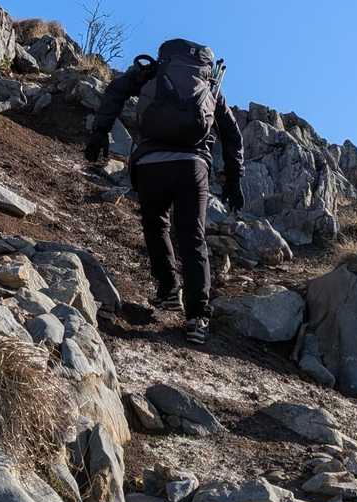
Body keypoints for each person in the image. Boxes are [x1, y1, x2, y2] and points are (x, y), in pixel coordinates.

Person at [84, 39, 244, 345]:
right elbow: (233, 136)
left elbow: (116, 89)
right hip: (192, 166)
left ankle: (169, 289)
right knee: (192, 237)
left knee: (155, 224)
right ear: (205, 66)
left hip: (150, 163)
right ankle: (197, 317)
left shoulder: (153, 73)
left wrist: (99, 133)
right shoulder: (210, 88)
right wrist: (234, 178)